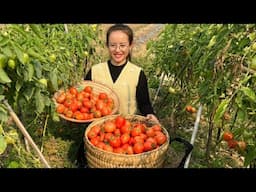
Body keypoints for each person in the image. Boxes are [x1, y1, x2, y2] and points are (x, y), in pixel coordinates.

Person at [76, 24, 159, 168]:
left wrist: (150, 114)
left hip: (127, 132)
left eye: (122, 45)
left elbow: (144, 103)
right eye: (113, 45)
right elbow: (84, 99)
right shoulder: (95, 71)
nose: (118, 50)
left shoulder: (137, 73)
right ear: (107, 46)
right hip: (99, 134)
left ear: (130, 45)